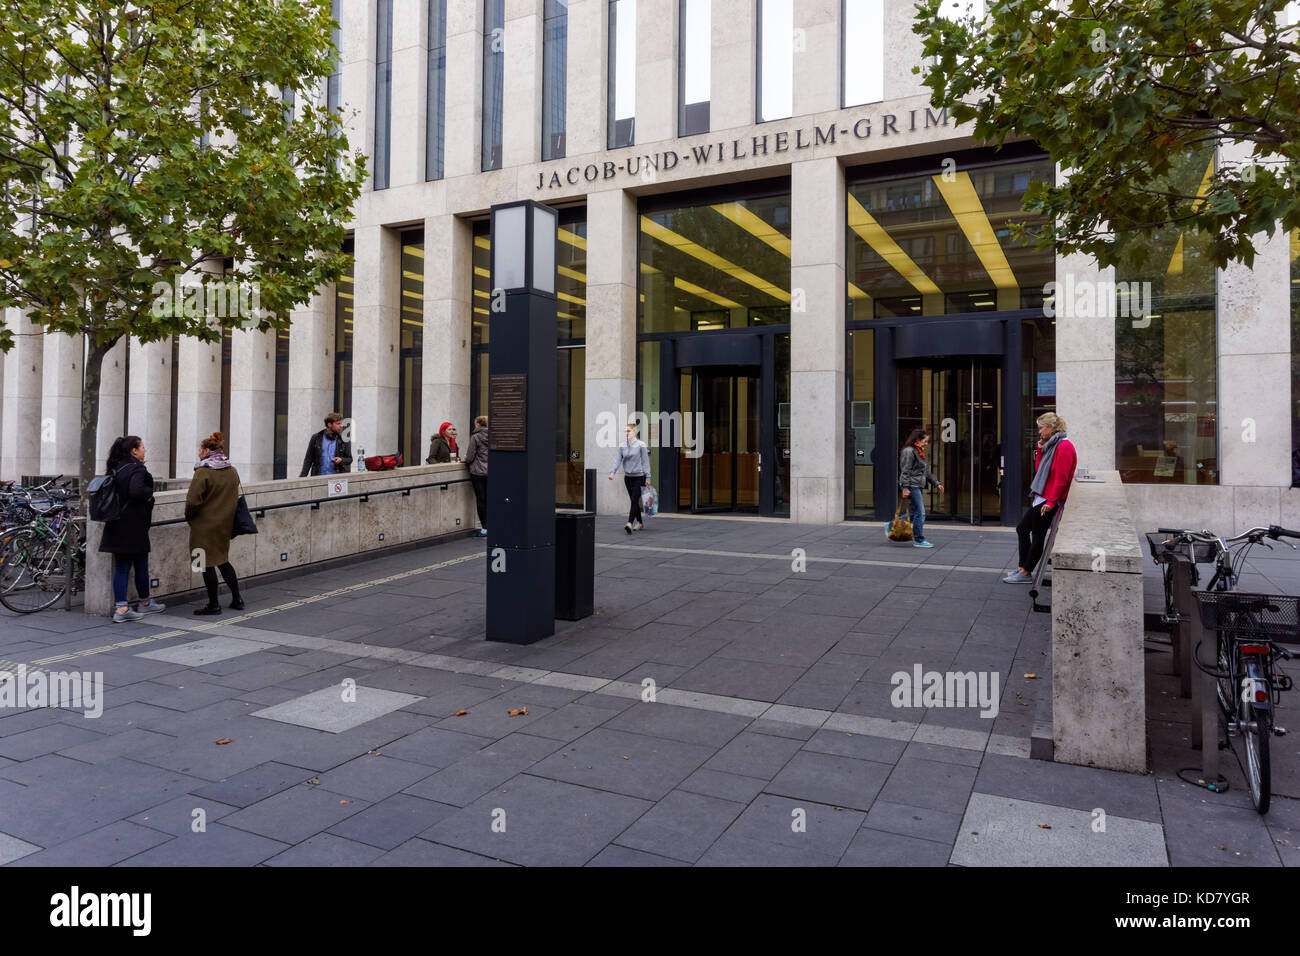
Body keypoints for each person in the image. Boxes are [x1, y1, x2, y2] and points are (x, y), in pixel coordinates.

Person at [98, 436, 166, 623]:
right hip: (133, 525)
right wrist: (149, 495)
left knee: (123, 567)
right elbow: (136, 491)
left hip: (117, 523)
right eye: (142, 447)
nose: (145, 450)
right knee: (141, 564)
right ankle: (139, 604)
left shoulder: (117, 468)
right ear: (134, 451)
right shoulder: (136, 468)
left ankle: (124, 606)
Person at [1004, 412, 1077, 584]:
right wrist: (1039, 448)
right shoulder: (1052, 445)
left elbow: (1061, 478)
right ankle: (1023, 568)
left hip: (1049, 500)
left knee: (1037, 535)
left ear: (1051, 428)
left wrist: (1052, 502)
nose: (1039, 432)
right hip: (1042, 496)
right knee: (1022, 529)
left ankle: (1026, 571)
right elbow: (1039, 469)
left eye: (1041, 428)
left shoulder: (1064, 446)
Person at [186, 431, 245, 614]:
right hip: (225, 525)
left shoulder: (203, 472)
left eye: (200, 449)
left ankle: (213, 604)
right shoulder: (232, 470)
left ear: (206, 451)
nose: (198, 453)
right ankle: (237, 599)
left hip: (203, 526)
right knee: (223, 561)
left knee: (204, 563)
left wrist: (190, 518)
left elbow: (192, 502)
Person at [896, 428, 944, 548]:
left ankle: (891, 524)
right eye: (925, 441)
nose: (927, 444)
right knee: (920, 513)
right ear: (917, 439)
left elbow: (925, 471)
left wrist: (936, 483)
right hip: (912, 485)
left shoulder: (917, 450)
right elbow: (905, 471)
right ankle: (919, 539)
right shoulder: (909, 451)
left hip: (917, 485)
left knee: (913, 513)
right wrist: (905, 487)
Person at [608, 421, 650, 534]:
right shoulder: (622, 446)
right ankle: (640, 523)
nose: (626, 433)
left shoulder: (641, 445)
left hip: (639, 477)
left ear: (635, 432)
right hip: (628, 478)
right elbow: (617, 460)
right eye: (625, 431)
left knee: (634, 500)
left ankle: (629, 523)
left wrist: (648, 478)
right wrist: (612, 472)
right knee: (634, 501)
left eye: (628, 431)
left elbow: (646, 462)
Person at [461, 415, 489, 537]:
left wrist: (465, 460)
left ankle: (485, 528)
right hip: (491, 472)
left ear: (478, 424)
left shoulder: (475, 437)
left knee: (481, 499)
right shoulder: (494, 436)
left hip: (478, 472)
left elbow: (470, 456)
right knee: (490, 499)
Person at [300, 412, 351, 476]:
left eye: (341, 423)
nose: (341, 426)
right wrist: (302, 477)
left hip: (337, 478)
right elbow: (308, 459)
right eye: (338, 423)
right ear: (329, 424)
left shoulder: (344, 440)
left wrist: (341, 460)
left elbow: (349, 459)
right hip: (318, 477)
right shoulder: (316, 438)